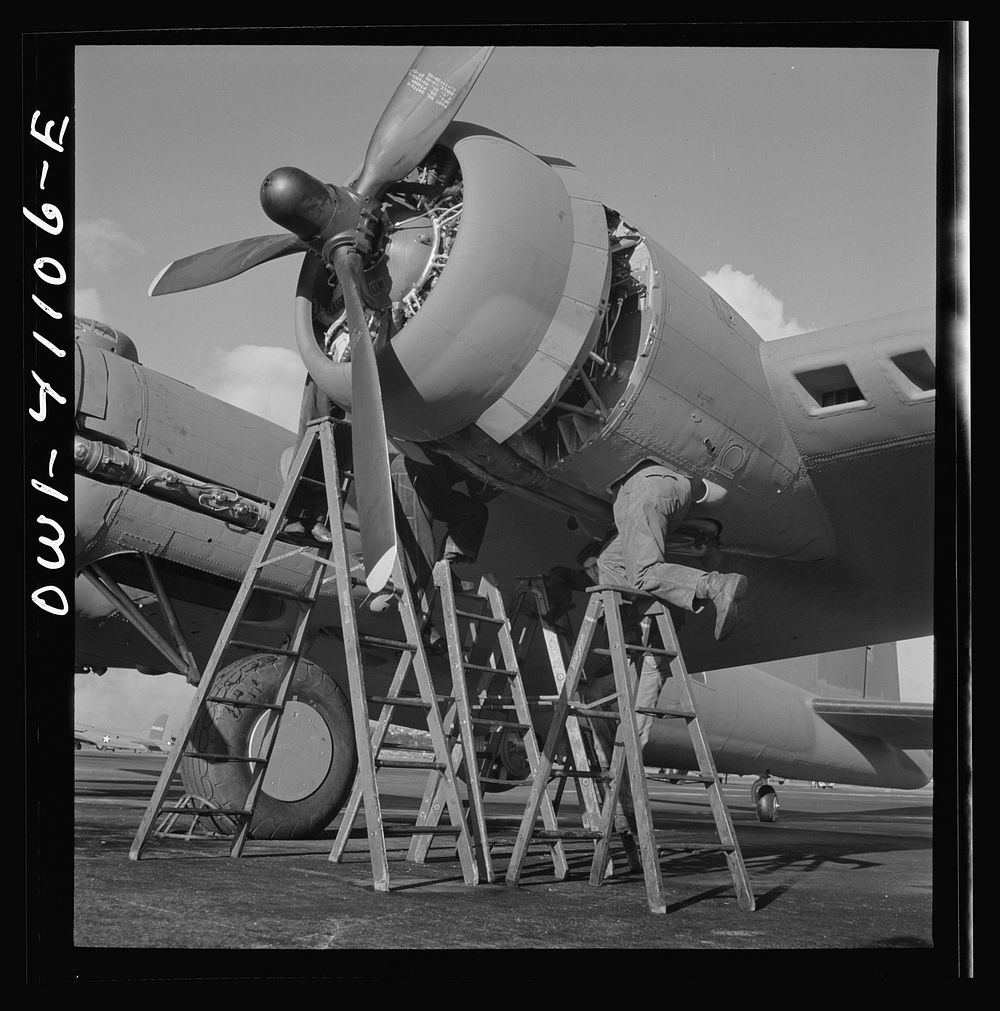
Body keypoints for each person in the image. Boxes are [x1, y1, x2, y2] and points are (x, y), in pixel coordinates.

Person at [545, 461, 748, 749]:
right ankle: (617, 762)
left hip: (651, 647)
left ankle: (715, 585)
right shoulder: (611, 562)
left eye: (591, 567)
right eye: (587, 570)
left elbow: (612, 573)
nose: (592, 575)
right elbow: (582, 574)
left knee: (641, 574)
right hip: (662, 489)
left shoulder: (616, 553)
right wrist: (557, 584)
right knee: (620, 569)